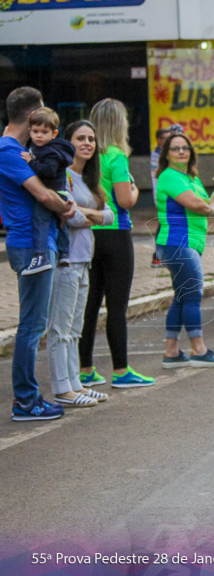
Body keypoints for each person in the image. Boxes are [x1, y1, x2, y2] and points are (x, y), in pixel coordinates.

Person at [2, 87, 76, 420]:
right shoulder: (8, 150)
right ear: (33, 116)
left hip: (34, 240)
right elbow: (43, 195)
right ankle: (26, 401)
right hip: (31, 243)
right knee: (32, 326)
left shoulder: (18, 148)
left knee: (34, 324)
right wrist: (65, 207)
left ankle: (27, 398)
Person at [79, 99, 154, 389]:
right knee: (117, 306)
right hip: (115, 232)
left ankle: (85, 369)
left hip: (88, 232)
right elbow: (124, 201)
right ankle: (121, 371)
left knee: (89, 305)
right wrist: (135, 190)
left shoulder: (86, 154)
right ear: (120, 124)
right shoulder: (116, 156)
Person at [47, 120, 114, 407]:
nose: (87, 143)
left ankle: (76, 384)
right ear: (67, 141)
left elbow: (110, 217)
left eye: (91, 139)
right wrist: (90, 216)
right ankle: (62, 388)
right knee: (59, 327)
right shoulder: (61, 176)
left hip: (84, 260)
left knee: (76, 327)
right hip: (66, 260)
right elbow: (70, 217)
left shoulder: (88, 179)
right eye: (80, 138)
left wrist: (84, 212)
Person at [155, 133, 214, 368]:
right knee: (193, 295)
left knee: (182, 296)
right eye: (175, 149)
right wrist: (208, 203)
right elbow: (199, 206)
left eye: (185, 148)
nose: (182, 152)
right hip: (177, 243)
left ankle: (171, 351)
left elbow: (210, 206)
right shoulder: (170, 176)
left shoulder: (190, 178)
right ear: (166, 154)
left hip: (187, 244)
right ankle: (198, 349)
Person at [21, 107, 75, 273]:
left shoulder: (51, 151)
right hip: (60, 192)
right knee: (60, 223)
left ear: (54, 133)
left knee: (40, 221)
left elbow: (49, 171)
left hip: (52, 192)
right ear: (29, 130)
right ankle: (65, 253)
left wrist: (31, 162)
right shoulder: (41, 147)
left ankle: (40, 255)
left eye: (44, 132)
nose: (39, 135)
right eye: (35, 131)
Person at [150, 127, 172, 267]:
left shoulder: (164, 154)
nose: (167, 141)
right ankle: (158, 256)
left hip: (166, 195)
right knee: (163, 226)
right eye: (165, 138)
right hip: (161, 196)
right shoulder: (157, 156)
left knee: (165, 225)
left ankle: (162, 255)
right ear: (158, 140)